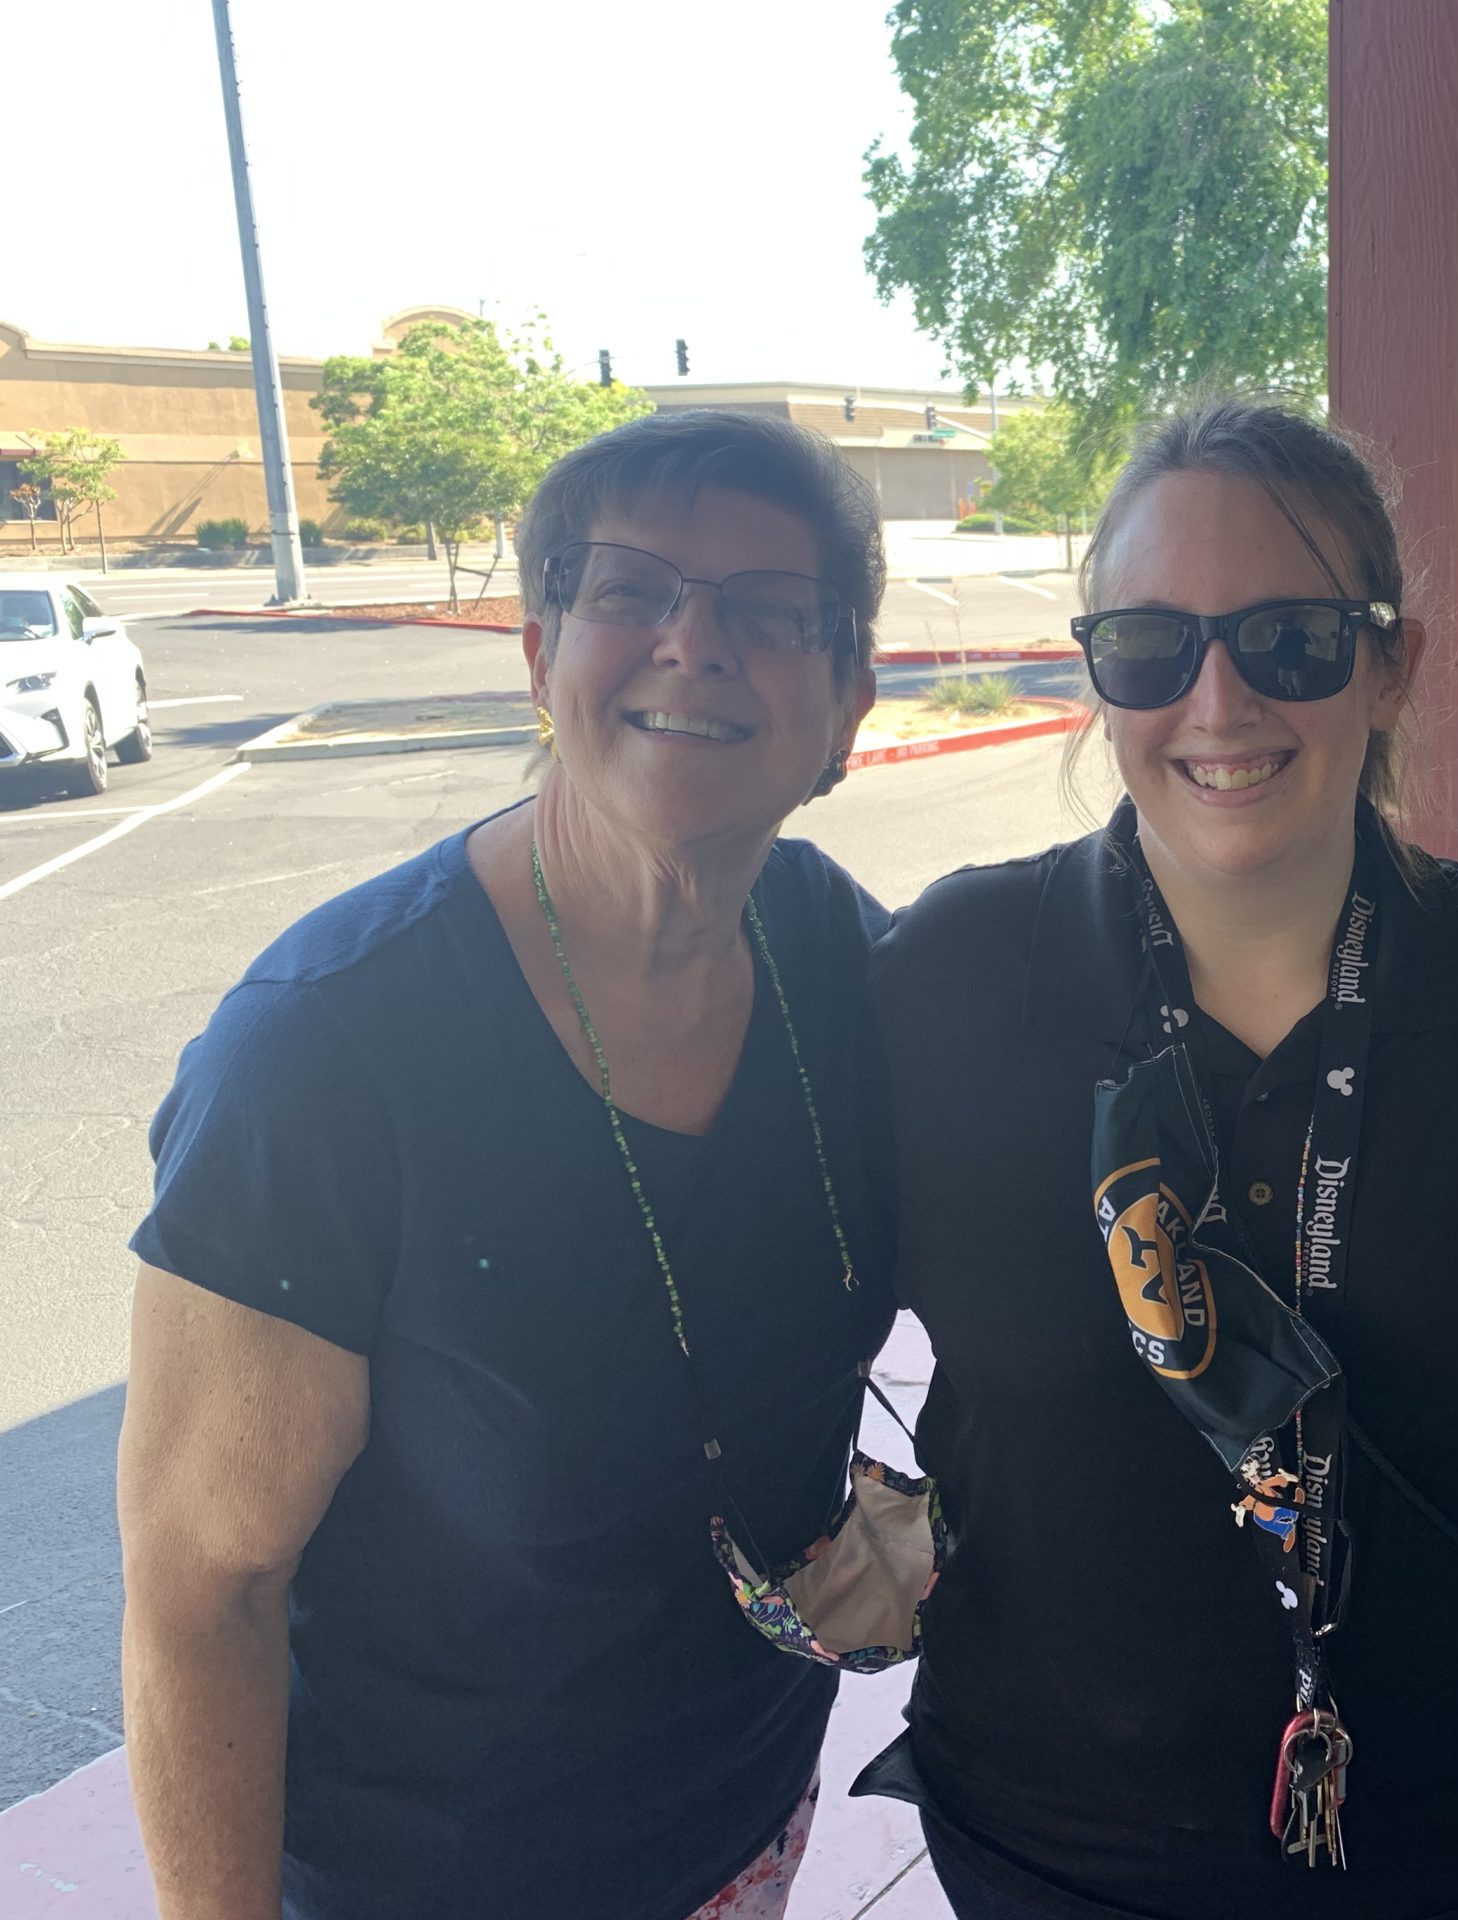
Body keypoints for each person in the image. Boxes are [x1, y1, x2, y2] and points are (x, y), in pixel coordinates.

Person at [862, 399, 1458, 1920]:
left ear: (1390, 663)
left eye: (1289, 639)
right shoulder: (951, 978)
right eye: (1151, 644)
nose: (1216, 702)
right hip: (1057, 1832)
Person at [117, 410, 900, 1920]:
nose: (695, 642)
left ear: (849, 704)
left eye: (767, 612)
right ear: (543, 657)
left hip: (745, 1828)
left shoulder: (838, 954)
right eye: (631, 591)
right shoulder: (325, 1055)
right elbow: (206, 1590)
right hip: (438, 1878)